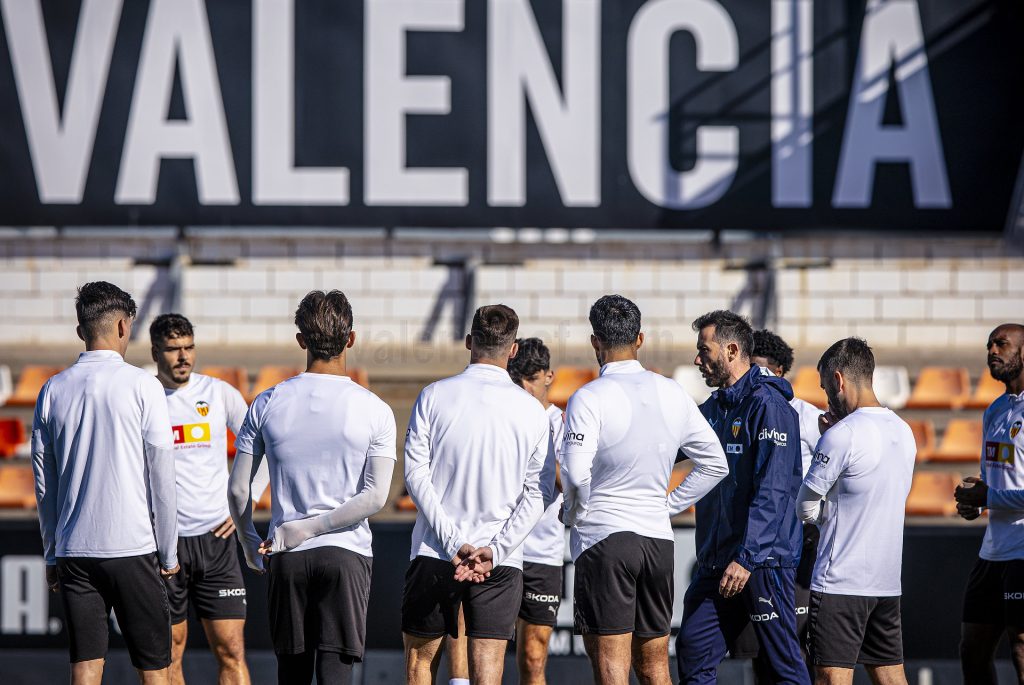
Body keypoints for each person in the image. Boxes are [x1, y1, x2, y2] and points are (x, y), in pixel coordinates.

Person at [228, 290, 396, 685]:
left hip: (288, 556)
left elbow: (238, 492)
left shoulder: (268, 401)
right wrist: (312, 529)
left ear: (301, 340)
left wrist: (249, 540)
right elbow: (375, 496)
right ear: (351, 338)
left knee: (292, 674)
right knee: (335, 676)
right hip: (345, 555)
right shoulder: (375, 408)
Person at [562, 295, 728, 685]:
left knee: (611, 669)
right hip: (656, 541)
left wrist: (574, 513)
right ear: (640, 338)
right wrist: (666, 506)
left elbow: (573, 475)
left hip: (605, 537)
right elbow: (716, 463)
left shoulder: (588, 397)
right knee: (655, 665)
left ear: (594, 342)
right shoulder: (671, 391)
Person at [32, 281, 179, 684]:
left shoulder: (52, 390)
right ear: (121, 327)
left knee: (84, 670)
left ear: (81, 331)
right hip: (133, 549)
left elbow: (44, 486)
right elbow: (163, 478)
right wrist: (169, 553)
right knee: (155, 673)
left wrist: (51, 553)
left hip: (75, 550)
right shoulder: (144, 386)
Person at [402, 305, 552, 685]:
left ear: (469, 342)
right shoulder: (533, 412)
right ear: (513, 350)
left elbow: (415, 475)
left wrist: (454, 542)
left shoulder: (433, 395)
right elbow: (538, 494)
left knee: (420, 669)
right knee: (488, 677)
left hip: (436, 553)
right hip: (498, 563)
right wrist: (496, 550)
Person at [676, 310, 809, 685]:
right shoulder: (716, 408)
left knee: (783, 666)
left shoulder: (769, 406)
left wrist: (747, 558)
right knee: (692, 648)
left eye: (704, 350)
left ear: (731, 350)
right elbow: (668, 446)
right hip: (718, 561)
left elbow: (774, 490)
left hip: (761, 562)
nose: (697, 360)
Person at [150, 313, 267, 685]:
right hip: (164, 544)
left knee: (231, 650)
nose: (183, 357)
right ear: (156, 351)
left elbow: (266, 447)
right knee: (170, 651)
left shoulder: (219, 393)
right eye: (173, 349)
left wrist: (246, 504)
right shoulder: (144, 398)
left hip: (216, 542)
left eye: (189, 347)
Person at [444, 337, 565, 685]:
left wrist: (538, 451)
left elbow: (565, 483)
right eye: (519, 379)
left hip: (541, 550)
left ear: (549, 376)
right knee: (469, 638)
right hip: (494, 545)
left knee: (532, 656)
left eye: (533, 378)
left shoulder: (560, 423)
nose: (526, 387)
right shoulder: (502, 414)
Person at [797, 337, 916, 685]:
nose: (825, 397)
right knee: (891, 675)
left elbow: (805, 506)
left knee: (831, 678)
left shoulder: (841, 434)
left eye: (824, 387)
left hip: (839, 584)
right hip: (886, 584)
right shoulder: (904, 431)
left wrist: (829, 516)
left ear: (838, 380)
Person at [742, 328, 822, 681]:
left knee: (796, 644)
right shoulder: (744, 412)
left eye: (757, 368)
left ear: (778, 370)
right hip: (755, 542)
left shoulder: (808, 417)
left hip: (797, 546)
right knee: (761, 647)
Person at [954, 323, 1024, 685]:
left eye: (1002, 344)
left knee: (1021, 649)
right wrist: (975, 502)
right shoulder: (995, 410)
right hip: (992, 553)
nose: (992, 351)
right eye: (989, 345)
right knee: (972, 651)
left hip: (1022, 552)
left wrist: (990, 497)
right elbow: (993, 480)